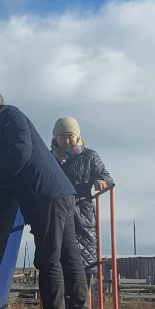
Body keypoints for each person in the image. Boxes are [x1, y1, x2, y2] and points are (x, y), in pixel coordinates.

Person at [0, 93, 93, 309]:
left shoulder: (11, 116)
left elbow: (22, 152)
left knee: (49, 259)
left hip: (46, 197)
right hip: (60, 194)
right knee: (68, 257)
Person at [50, 116, 113, 274]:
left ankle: (82, 297)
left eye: (70, 136)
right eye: (62, 136)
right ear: (55, 138)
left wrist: (100, 180)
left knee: (84, 263)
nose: (66, 140)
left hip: (82, 212)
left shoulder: (89, 156)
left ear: (77, 136)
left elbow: (104, 174)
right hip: (56, 211)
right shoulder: (48, 158)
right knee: (57, 262)